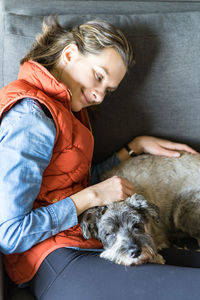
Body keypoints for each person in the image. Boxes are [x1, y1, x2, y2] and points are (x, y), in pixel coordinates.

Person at [0, 17, 198, 300]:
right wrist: (92, 197)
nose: (100, 96)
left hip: (88, 244)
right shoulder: (31, 117)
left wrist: (132, 148)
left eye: (108, 89)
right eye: (98, 76)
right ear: (69, 54)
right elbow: (9, 234)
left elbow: (64, 185)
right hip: (55, 261)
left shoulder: (65, 108)